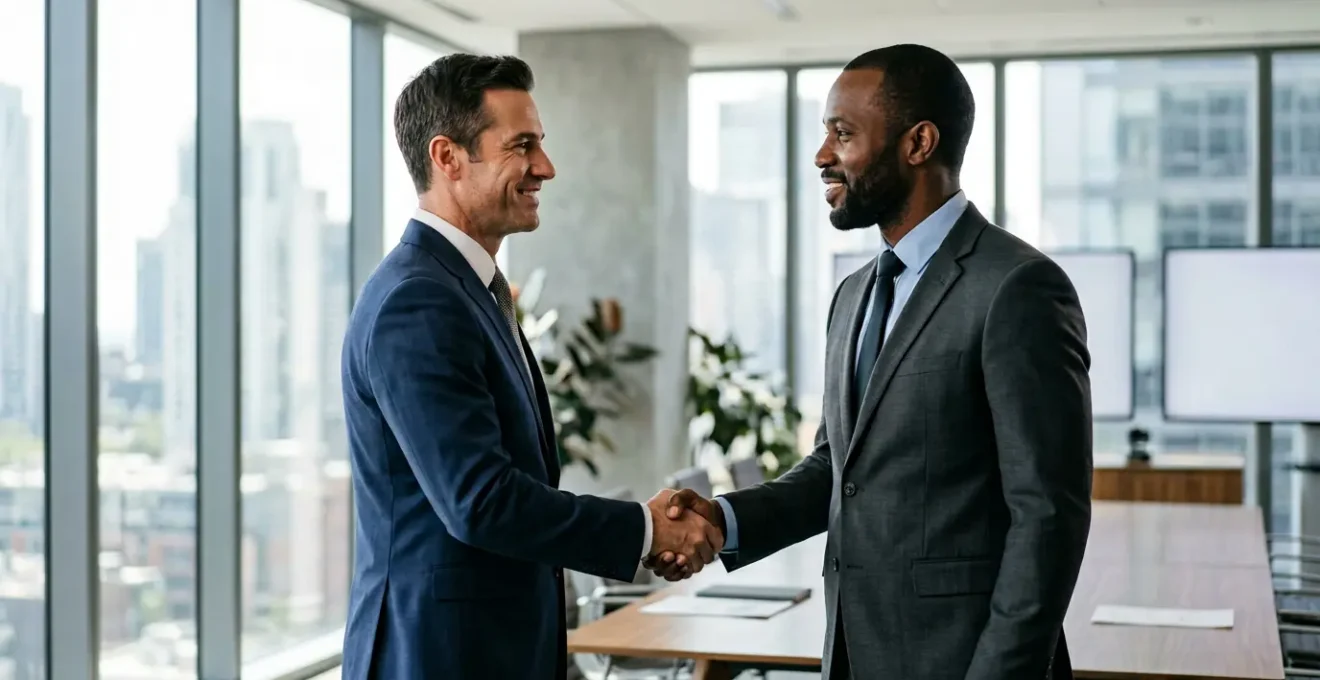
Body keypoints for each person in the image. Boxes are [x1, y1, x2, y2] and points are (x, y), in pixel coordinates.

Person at [650, 44, 1093, 680]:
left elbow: (1049, 515)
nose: (822, 155)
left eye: (843, 133)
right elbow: (838, 469)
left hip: (964, 660)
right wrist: (724, 519)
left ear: (918, 143)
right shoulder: (853, 295)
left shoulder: (1017, 287)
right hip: (856, 654)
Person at [339, 53, 722, 680]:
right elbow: (481, 501)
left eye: (540, 144)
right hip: (438, 656)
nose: (546, 167)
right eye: (523, 146)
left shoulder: (469, 289)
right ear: (447, 157)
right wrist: (644, 531)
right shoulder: (419, 300)